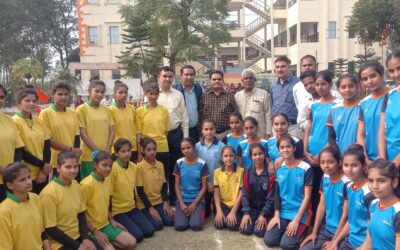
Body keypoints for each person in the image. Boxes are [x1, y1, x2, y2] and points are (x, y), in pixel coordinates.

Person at [40, 152, 98, 250]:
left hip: (78, 236)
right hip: (59, 242)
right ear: (58, 168)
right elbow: (51, 229)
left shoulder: (75, 184)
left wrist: (85, 239)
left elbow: (81, 214)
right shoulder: (48, 193)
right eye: (68, 167)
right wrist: (78, 246)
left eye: (75, 166)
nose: (73, 170)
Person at [264, 134, 313, 249]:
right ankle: (287, 230)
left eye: (288, 146)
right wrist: (276, 215)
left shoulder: (306, 168)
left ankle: (305, 229)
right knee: (269, 240)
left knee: (286, 245)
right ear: (279, 150)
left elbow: (307, 197)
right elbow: (277, 194)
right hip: (283, 212)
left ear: (294, 148)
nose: (285, 149)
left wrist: (296, 220)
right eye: (282, 147)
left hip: (300, 214)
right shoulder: (279, 168)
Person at [80, 151, 136, 250]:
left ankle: (107, 243)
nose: (108, 169)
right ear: (95, 165)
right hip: (91, 229)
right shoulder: (86, 185)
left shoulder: (106, 180)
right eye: (104, 165)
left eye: (110, 166)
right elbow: (80, 214)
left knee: (131, 242)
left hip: (105, 224)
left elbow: (105, 203)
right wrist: (95, 231)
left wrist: (111, 219)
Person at [300, 147, 349, 250]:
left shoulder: (347, 183)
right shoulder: (325, 177)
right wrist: (314, 232)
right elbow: (322, 206)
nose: (326, 166)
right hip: (327, 229)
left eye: (330, 162)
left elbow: (346, 216)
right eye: (322, 162)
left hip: (343, 233)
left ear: (339, 162)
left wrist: (334, 241)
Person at [327, 144, 375, 249]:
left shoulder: (370, 194)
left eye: (354, 165)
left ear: (364, 166)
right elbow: (350, 220)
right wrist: (335, 241)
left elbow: (373, 229)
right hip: (349, 241)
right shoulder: (348, 186)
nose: (349, 169)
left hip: (364, 245)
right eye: (346, 165)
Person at [110, 138, 155, 243]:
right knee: (138, 236)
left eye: (129, 151)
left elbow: (135, 188)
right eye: (123, 151)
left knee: (149, 231)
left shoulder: (134, 166)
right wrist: (110, 216)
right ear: (116, 153)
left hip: (131, 208)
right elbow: (108, 196)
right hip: (118, 211)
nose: (127, 154)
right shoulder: (112, 169)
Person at [157, 66, 189, 204]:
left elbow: (184, 117)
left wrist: (185, 138)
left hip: (176, 134)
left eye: (170, 76)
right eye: (165, 76)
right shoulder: (152, 94)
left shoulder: (178, 94)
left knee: (175, 168)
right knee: (161, 167)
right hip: (158, 136)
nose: (167, 79)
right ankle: (161, 197)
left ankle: (174, 198)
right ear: (159, 77)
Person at [0, 162, 50, 250]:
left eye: (29, 177)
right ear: (10, 185)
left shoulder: (35, 198)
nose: (28, 182)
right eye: (22, 180)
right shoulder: (4, 211)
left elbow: (42, 233)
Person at [13, 88, 51, 194]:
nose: (31, 103)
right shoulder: (14, 122)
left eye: (34, 101)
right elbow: (21, 151)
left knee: (41, 204)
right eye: (27, 100)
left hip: (42, 173)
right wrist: (43, 165)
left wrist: (44, 170)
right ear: (19, 102)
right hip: (25, 174)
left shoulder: (39, 121)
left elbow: (47, 145)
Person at [39, 80, 81, 176]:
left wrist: (75, 155)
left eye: (66, 94)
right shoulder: (45, 114)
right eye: (60, 94)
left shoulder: (73, 112)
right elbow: (48, 140)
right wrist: (70, 150)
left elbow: (76, 136)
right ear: (53, 94)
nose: (63, 97)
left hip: (71, 162)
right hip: (56, 163)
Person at [76, 80, 115, 179]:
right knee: (89, 186)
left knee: (105, 186)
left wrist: (107, 150)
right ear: (89, 91)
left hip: (106, 155)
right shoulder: (81, 109)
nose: (100, 94)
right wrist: (97, 151)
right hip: (90, 156)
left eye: (102, 92)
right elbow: (83, 133)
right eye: (97, 91)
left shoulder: (107, 109)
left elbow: (112, 131)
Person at [136, 137, 174, 230]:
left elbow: (164, 185)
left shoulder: (160, 165)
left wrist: (165, 202)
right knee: (158, 225)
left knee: (170, 221)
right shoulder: (139, 167)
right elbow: (140, 190)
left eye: (154, 149)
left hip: (159, 201)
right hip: (145, 204)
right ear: (143, 151)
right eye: (148, 150)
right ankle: (143, 215)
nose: (152, 152)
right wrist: (150, 208)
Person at [304, 70, 340, 166]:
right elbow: (309, 128)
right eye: (317, 84)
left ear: (330, 84)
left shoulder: (338, 106)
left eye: (323, 84)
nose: (320, 88)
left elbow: (336, 134)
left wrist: (321, 154)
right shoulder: (314, 106)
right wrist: (305, 151)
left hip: (329, 153)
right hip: (312, 152)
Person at [362, 159, 400, 250]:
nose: (375, 186)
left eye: (381, 181)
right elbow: (368, 243)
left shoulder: (397, 213)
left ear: (394, 182)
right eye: (371, 181)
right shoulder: (373, 204)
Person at [239, 143, 275, 237]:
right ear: (251, 156)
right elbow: (245, 194)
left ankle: (266, 219)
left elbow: (272, 197)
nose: (258, 157)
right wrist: (246, 212)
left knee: (259, 232)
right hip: (253, 209)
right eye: (254, 155)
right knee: (244, 230)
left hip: (266, 209)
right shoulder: (247, 171)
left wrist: (264, 214)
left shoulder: (270, 171)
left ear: (264, 154)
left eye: (260, 153)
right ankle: (253, 217)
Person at [136, 79, 170, 178]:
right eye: (151, 94)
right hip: (146, 149)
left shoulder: (164, 110)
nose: (153, 96)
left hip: (162, 147)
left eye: (156, 94)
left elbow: (166, 131)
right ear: (146, 94)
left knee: (162, 176)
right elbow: (139, 133)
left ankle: (163, 194)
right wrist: (140, 152)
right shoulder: (139, 111)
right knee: (147, 176)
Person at [174, 138, 209, 231]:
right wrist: (181, 204)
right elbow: (176, 185)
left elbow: (204, 186)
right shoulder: (179, 163)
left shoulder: (202, 163)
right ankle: (183, 215)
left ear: (194, 148)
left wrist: (194, 204)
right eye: (183, 148)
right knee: (180, 226)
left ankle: (196, 214)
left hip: (197, 200)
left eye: (188, 147)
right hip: (183, 199)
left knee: (195, 226)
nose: (186, 150)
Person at [357, 61, 389, 163]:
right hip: (372, 160)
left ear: (382, 75)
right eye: (365, 79)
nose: (370, 81)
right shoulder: (364, 103)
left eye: (373, 76)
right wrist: (366, 159)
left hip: (393, 156)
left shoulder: (394, 96)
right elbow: (360, 134)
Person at [195, 119, 225, 217]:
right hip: (203, 183)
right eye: (206, 129)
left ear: (215, 130)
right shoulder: (197, 147)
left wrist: (215, 183)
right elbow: (196, 167)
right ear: (202, 131)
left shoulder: (221, 146)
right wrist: (207, 183)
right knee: (206, 214)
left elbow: (224, 166)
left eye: (211, 129)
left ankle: (216, 204)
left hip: (218, 183)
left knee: (218, 212)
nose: (209, 132)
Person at [0, 84, 24, 201]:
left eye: (2, 97)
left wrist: (16, 173)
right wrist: (6, 172)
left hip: (10, 181)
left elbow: (17, 149)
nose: (0, 100)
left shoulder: (9, 120)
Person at [199, 70, 238, 140]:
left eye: (219, 79)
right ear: (210, 81)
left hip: (226, 133)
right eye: (214, 79)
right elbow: (200, 116)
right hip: (208, 134)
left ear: (223, 81)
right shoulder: (204, 97)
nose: (217, 81)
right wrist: (201, 134)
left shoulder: (230, 96)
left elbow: (236, 114)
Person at [327, 74, 361, 155]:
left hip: (362, 156)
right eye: (343, 87)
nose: (347, 90)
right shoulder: (333, 110)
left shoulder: (363, 106)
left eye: (351, 86)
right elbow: (331, 136)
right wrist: (336, 153)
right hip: (342, 155)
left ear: (357, 87)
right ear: (338, 89)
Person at [270, 56, 302, 139]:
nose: (280, 69)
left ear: (289, 68)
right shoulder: (273, 85)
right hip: (277, 128)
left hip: (293, 127)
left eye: (283, 66)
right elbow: (272, 104)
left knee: (294, 150)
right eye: (277, 67)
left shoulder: (298, 83)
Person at [235, 69, 272, 139]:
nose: (248, 80)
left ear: (255, 79)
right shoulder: (237, 96)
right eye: (246, 78)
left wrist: (268, 133)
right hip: (242, 135)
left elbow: (268, 114)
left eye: (251, 78)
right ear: (242, 81)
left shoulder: (264, 94)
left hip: (259, 134)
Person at [213, 146, 243, 231]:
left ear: (235, 157)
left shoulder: (241, 171)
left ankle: (234, 215)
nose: (228, 158)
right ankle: (223, 214)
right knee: (219, 225)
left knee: (232, 226)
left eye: (231, 156)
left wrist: (233, 212)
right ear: (222, 158)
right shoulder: (217, 172)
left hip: (236, 205)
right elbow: (216, 192)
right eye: (225, 156)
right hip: (223, 205)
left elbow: (241, 193)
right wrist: (219, 211)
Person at [379, 52, 400, 167]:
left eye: (399, 68)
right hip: (389, 162)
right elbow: (382, 130)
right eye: (391, 71)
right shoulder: (389, 96)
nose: (396, 74)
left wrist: (396, 164)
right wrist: (382, 157)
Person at [109, 80, 139, 162]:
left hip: (132, 148)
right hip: (118, 149)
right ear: (114, 95)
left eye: (125, 92)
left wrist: (139, 151)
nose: (123, 95)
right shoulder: (110, 110)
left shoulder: (132, 108)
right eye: (120, 92)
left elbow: (137, 130)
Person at [174, 65, 204, 143]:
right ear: (181, 75)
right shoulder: (174, 90)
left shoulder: (199, 90)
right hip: (179, 131)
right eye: (186, 74)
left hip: (195, 130)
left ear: (194, 76)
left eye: (191, 75)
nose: (189, 77)